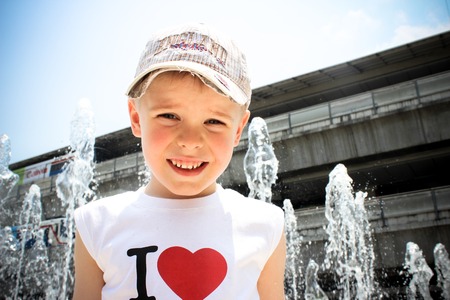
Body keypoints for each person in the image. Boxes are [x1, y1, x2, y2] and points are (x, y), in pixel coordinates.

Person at [73, 23, 286, 300]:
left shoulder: (266, 224)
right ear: (136, 118)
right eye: (169, 116)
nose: (190, 140)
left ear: (237, 130)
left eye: (214, 121)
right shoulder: (95, 224)